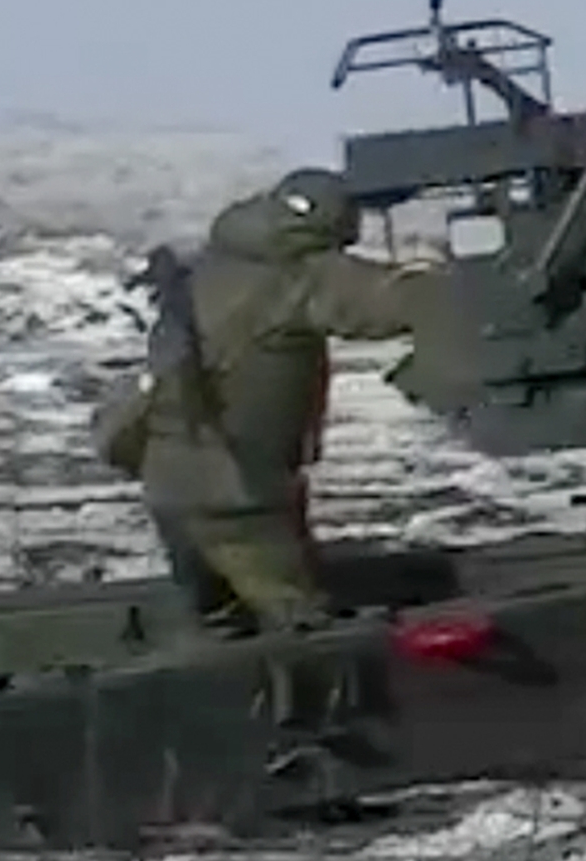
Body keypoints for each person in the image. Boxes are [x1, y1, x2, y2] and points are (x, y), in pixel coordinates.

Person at [92, 166, 437, 635]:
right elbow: (385, 303)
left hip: (171, 483)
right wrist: (449, 285)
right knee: (310, 631)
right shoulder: (297, 275)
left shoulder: (215, 263)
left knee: (220, 621)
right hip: (236, 491)